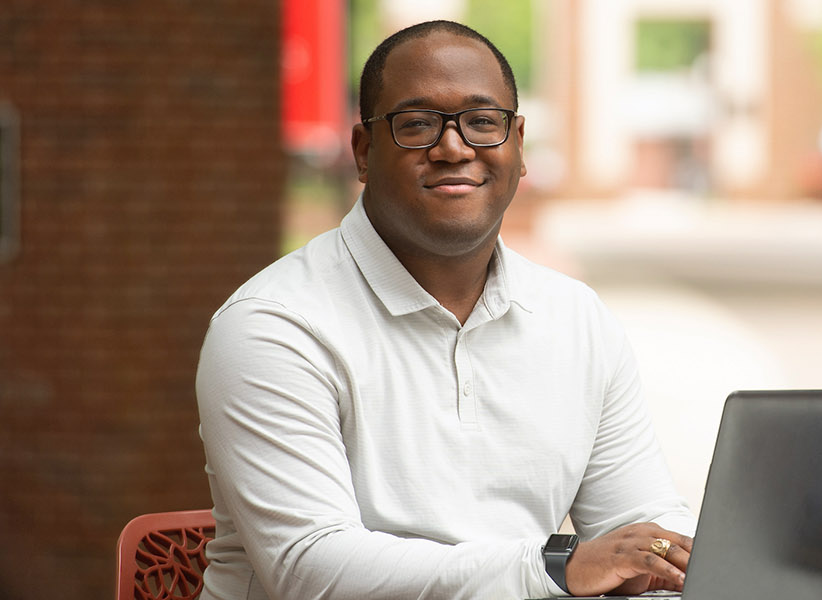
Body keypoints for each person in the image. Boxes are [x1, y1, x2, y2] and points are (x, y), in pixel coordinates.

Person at [196, 21, 695, 599]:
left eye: (483, 122)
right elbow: (312, 569)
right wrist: (554, 568)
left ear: (518, 145)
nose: (454, 148)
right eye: (416, 125)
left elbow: (640, 518)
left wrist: (681, 558)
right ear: (363, 151)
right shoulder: (275, 326)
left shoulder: (576, 318)